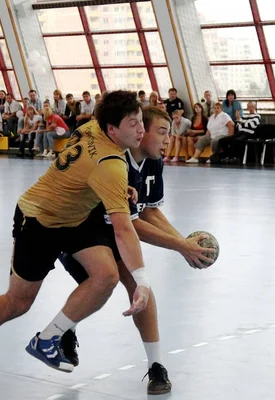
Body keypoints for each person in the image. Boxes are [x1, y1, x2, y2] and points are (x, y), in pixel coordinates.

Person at [0, 91, 151, 394]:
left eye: (141, 122)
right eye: (133, 123)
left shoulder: (92, 128)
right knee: (17, 302)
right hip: (38, 219)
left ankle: (49, 338)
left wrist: (117, 189)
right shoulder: (110, 163)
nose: (141, 130)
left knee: (106, 276)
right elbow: (124, 231)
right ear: (112, 129)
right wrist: (141, 281)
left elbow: (83, 166)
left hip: (74, 218)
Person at [58, 106, 214, 395]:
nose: (169, 139)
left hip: (112, 231)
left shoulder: (154, 161)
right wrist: (182, 246)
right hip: (74, 230)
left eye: (171, 132)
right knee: (105, 281)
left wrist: (184, 245)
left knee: (138, 286)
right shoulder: (114, 162)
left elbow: (149, 212)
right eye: (162, 132)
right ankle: (62, 330)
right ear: (139, 133)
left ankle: (156, 366)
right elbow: (132, 226)